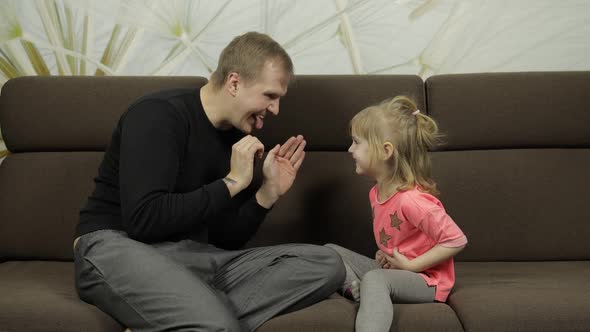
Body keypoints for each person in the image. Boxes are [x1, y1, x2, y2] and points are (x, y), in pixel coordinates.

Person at [73, 31, 345, 332]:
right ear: (234, 82)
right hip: (115, 245)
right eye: (270, 96)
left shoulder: (237, 139)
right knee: (216, 324)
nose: (275, 110)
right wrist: (231, 182)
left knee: (326, 264)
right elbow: (143, 219)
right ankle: (202, 316)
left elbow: (223, 239)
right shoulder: (158, 115)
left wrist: (267, 193)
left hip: (189, 256)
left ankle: (182, 316)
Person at [325, 96, 467, 332]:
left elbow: (456, 240)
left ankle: (372, 298)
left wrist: (412, 266)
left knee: (375, 279)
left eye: (356, 142)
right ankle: (365, 294)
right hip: (396, 271)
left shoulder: (412, 200)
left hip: (426, 281)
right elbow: (401, 237)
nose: (350, 149)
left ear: (385, 151)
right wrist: (385, 253)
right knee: (331, 252)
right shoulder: (376, 192)